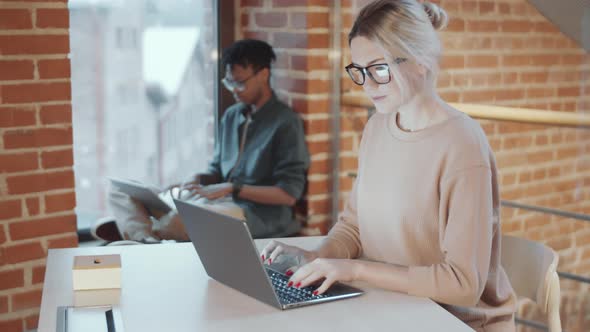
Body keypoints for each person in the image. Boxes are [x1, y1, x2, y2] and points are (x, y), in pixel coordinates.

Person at [260, 1, 517, 331]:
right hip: (389, 308)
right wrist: (318, 257)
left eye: (379, 68)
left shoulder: (462, 145)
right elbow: (354, 225)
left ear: (420, 62)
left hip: (457, 322)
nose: (367, 85)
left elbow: (463, 285)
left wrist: (353, 271)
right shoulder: (377, 128)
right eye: (359, 71)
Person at [95, 39, 310, 243]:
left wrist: (232, 188)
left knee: (178, 222)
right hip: (214, 202)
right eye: (229, 82)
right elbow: (216, 169)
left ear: (263, 74)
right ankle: (146, 234)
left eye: (240, 83)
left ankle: (137, 230)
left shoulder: (285, 123)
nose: (234, 89)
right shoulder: (232, 116)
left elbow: (289, 194)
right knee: (121, 192)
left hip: (257, 214)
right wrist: (198, 178)